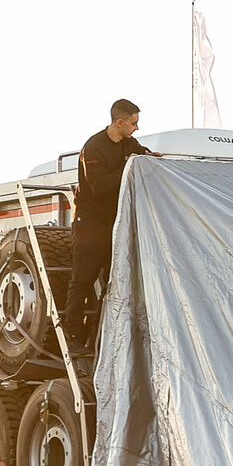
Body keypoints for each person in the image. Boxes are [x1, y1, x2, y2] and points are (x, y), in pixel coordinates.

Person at [58, 98, 153, 343]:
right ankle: (74, 333)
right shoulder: (93, 147)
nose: (137, 128)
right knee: (83, 280)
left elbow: (143, 157)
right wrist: (127, 166)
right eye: (133, 123)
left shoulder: (129, 143)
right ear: (119, 122)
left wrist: (151, 160)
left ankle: (98, 334)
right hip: (90, 222)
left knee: (114, 281)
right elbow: (99, 186)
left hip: (114, 223)